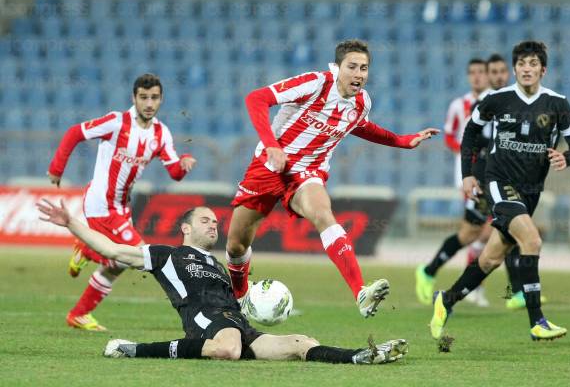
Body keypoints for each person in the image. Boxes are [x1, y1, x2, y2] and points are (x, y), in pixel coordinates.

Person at [37, 200, 409, 365]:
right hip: (203, 321)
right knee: (227, 349)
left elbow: (240, 299)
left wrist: (259, 301)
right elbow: (113, 249)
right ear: (185, 228)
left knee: (300, 343)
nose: (213, 225)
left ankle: (360, 356)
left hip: (237, 324)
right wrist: (71, 223)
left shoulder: (216, 264)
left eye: (215, 221)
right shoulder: (167, 255)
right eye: (205, 221)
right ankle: (132, 348)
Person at [225, 39, 439, 318]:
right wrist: (272, 145)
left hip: (308, 172)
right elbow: (256, 98)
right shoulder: (314, 83)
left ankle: (361, 292)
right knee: (236, 245)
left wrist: (403, 140)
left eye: (364, 68)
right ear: (337, 67)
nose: (359, 74)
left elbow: (361, 127)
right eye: (352, 67)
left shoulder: (362, 102)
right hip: (268, 166)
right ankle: (240, 298)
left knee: (323, 213)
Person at [430, 41, 570, 341]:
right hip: (499, 184)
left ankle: (446, 300)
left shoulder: (557, 103)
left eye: (533, 64)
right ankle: (537, 321)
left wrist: (566, 156)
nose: (527, 69)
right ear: (515, 69)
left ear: (543, 69)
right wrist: (467, 175)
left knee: (490, 259)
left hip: (531, 191)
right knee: (532, 239)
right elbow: (470, 134)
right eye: (522, 64)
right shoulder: (496, 99)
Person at [47, 73, 196, 331]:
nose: (149, 103)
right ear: (134, 98)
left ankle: (79, 314)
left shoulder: (161, 133)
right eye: (144, 97)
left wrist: (183, 164)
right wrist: (57, 168)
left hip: (121, 206)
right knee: (138, 254)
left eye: (154, 98)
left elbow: (174, 172)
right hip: (100, 203)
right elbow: (75, 133)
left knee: (119, 263)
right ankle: (87, 249)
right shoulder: (116, 122)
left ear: (161, 99)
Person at [416, 58, 490, 306]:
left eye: (482, 72)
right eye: (473, 73)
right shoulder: (459, 105)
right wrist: (467, 152)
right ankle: (463, 283)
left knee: (488, 232)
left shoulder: (499, 100)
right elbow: (449, 135)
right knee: (479, 232)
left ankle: (473, 285)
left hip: (495, 174)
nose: (477, 77)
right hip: (469, 174)